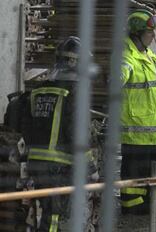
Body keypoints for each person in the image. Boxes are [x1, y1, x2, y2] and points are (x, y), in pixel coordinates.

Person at [22, 36, 86, 231]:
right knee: (54, 214)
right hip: (59, 166)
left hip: (35, 164)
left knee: (41, 209)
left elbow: (25, 127)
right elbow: (77, 133)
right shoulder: (73, 94)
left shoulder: (37, 92)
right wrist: (91, 167)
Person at [119, 9, 156, 215]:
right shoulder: (126, 57)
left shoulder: (150, 56)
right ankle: (131, 202)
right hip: (137, 126)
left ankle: (153, 195)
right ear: (136, 34)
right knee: (135, 165)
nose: (153, 36)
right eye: (149, 32)